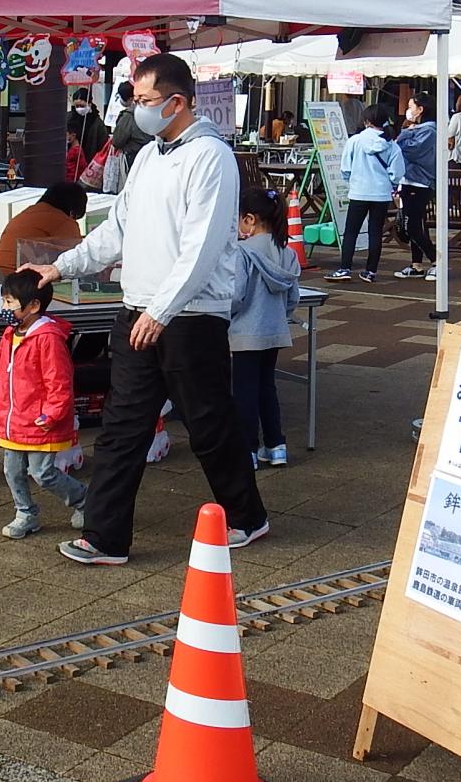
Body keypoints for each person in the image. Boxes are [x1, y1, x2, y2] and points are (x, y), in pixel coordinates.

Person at [22, 53, 271, 565]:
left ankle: (247, 516)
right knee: (122, 427)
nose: (137, 110)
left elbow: (202, 248)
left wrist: (161, 311)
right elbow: (116, 228)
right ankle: (105, 537)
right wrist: (61, 267)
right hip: (138, 309)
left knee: (208, 424)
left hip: (192, 316)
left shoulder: (211, 156)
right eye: (135, 100)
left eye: (144, 100)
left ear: (177, 102)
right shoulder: (149, 157)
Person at [0, 271, 87, 540]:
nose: (4, 308)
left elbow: (59, 381)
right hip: (14, 421)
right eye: (4, 301)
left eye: (9, 302)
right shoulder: (11, 334)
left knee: (43, 473)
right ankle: (25, 513)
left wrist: (52, 413)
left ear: (34, 305)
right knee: (13, 471)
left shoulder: (48, 338)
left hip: (39, 422)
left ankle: (84, 500)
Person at [231, 188, 300, 469]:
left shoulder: (242, 252)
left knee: (244, 391)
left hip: (244, 332)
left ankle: (247, 449)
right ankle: (275, 446)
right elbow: (293, 298)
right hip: (275, 330)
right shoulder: (287, 253)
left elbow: (236, 296)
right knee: (266, 387)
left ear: (250, 219)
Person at [327, 104, 403, 283]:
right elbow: (397, 172)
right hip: (381, 194)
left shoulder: (355, 141)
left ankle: (345, 268)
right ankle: (370, 271)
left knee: (351, 232)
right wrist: (390, 183)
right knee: (375, 233)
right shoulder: (391, 145)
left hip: (359, 192)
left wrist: (352, 180)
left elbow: (345, 168)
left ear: (366, 121)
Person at [0, 182, 87, 276]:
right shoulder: (64, 221)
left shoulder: (28, 213)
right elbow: (77, 259)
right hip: (25, 279)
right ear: (72, 212)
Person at [393, 94, 440, 280]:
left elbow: (410, 149)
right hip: (409, 180)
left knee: (412, 226)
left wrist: (405, 133)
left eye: (411, 106)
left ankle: (437, 261)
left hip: (421, 182)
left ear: (420, 109)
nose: (408, 110)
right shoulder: (419, 129)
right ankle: (416, 264)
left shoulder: (429, 130)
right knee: (413, 224)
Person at [68, 88, 108, 160]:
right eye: (77, 106)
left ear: (89, 104)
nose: (79, 108)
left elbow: (103, 145)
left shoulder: (97, 123)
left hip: (90, 161)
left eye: (82, 106)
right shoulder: (69, 118)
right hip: (71, 161)